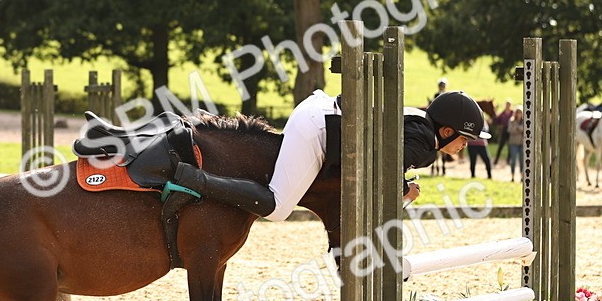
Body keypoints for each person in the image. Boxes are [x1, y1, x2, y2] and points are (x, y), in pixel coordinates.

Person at [170, 88, 490, 221]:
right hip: (318, 128)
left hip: (320, 113)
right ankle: (197, 180)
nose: (466, 146)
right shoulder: (424, 142)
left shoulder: (419, 124)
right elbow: (381, 169)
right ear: (446, 131)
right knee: (278, 207)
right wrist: (403, 191)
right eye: (465, 139)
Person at [492, 100, 514, 165]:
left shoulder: (512, 113)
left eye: (509, 105)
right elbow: (497, 121)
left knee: (510, 146)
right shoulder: (503, 113)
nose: (508, 106)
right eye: (507, 104)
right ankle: (496, 160)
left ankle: (508, 160)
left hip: (510, 131)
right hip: (504, 130)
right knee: (500, 146)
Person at [506, 109, 524, 181]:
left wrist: (517, 128)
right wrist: (519, 129)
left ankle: (521, 176)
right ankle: (512, 176)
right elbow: (510, 130)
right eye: (518, 113)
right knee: (513, 160)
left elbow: (525, 130)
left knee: (522, 161)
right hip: (513, 143)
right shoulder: (511, 121)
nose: (519, 115)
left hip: (521, 144)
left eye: (520, 113)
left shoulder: (524, 121)